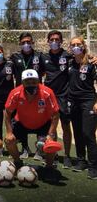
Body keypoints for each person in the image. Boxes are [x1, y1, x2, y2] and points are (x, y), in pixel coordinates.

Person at [4, 69, 60, 181]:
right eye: (27, 82)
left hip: (43, 123)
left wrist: (51, 134)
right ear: (22, 82)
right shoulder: (15, 93)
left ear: (38, 81)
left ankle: (49, 168)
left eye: (34, 82)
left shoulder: (47, 93)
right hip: (21, 123)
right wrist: (9, 132)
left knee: (51, 143)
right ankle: (18, 162)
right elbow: (7, 112)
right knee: (9, 140)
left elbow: (55, 114)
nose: (31, 85)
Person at [42, 30, 74, 167]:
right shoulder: (43, 57)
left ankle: (66, 155)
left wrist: (92, 58)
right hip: (49, 96)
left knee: (66, 126)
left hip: (64, 96)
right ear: (48, 41)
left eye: (57, 39)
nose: (54, 42)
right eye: (52, 39)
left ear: (61, 41)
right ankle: (52, 154)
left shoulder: (68, 56)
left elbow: (82, 58)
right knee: (51, 127)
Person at [67, 37, 97, 179]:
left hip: (89, 101)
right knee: (78, 132)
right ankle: (81, 160)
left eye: (78, 44)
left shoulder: (92, 63)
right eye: (73, 45)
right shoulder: (69, 62)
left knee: (88, 134)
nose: (76, 47)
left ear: (83, 46)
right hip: (73, 102)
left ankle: (93, 166)